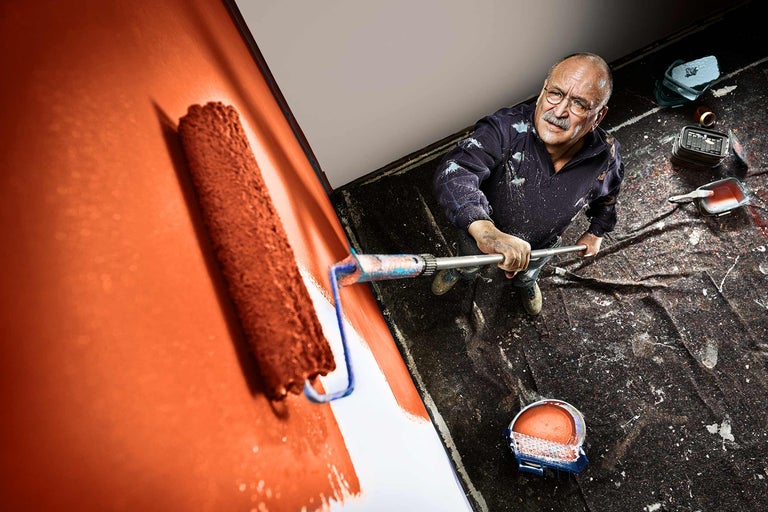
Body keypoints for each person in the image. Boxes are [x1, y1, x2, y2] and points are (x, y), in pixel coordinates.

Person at [431, 52, 624, 315]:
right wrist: (487, 233)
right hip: (481, 235)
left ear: (598, 117)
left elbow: (609, 194)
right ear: (544, 89)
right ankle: (462, 271)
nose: (559, 111)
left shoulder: (606, 156)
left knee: (529, 271)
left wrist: (597, 232)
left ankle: (527, 282)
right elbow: (457, 170)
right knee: (468, 261)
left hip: (542, 244)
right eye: (555, 93)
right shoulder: (504, 129)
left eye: (579, 104)